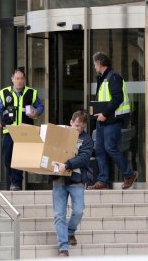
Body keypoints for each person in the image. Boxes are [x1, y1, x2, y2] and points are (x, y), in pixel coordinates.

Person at [88, 52, 138, 190]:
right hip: (103, 120)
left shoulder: (113, 77)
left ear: (100, 63)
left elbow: (117, 98)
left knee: (110, 147)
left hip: (112, 120)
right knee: (100, 150)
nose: (94, 66)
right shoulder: (103, 78)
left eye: (94, 63)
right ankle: (102, 180)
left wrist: (104, 113)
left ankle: (129, 175)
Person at [0, 68, 44, 191]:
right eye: (17, 79)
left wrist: (36, 111)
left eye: (21, 79)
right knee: (7, 158)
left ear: (24, 80)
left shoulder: (31, 93)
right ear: (12, 79)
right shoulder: (4, 93)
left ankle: (16, 183)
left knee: (20, 158)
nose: (19, 81)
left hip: (24, 132)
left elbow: (40, 106)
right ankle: (14, 181)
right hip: (9, 131)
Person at [52, 110, 93, 257]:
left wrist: (67, 164)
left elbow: (84, 158)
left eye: (81, 127)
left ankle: (70, 232)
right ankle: (63, 247)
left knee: (78, 211)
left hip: (76, 180)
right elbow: (49, 150)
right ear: (71, 122)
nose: (78, 129)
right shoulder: (60, 134)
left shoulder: (87, 140)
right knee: (59, 214)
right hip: (59, 179)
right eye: (76, 126)